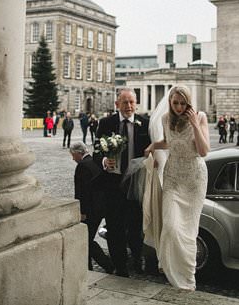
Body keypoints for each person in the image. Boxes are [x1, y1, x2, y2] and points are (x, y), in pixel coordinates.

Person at [144, 85, 210, 291]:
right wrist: (153, 147)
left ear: (188, 102)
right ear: (170, 102)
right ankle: (171, 269)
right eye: (175, 103)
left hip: (194, 178)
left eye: (183, 103)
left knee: (188, 230)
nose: (179, 107)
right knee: (171, 227)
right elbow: (169, 142)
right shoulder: (165, 119)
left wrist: (195, 125)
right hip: (173, 177)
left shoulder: (200, 117)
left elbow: (203, 150)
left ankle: (187, 278)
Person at [93, 89, 151, 277]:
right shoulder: (106, 123)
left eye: (132, 102)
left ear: (136, 104)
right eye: (125, 102)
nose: (129, 106)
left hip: (136, 183)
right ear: (117, 104)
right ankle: (120, 265)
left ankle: (137, 258)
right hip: (113, 184)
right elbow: (96, 152)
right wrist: (103, 161)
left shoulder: (145, 124)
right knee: (115, 226)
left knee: (136, 225)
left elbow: (152, 150)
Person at [69, 142, 114, 273]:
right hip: (100, 207)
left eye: (73, 155)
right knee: (87, 238)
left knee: (86, 239)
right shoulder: (96, 161)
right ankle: (88, 265)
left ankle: (107, 265)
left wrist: (82, 211)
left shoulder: (82, 166)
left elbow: (81, 191)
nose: (73, 159)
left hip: (90, 209)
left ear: (78, 153)